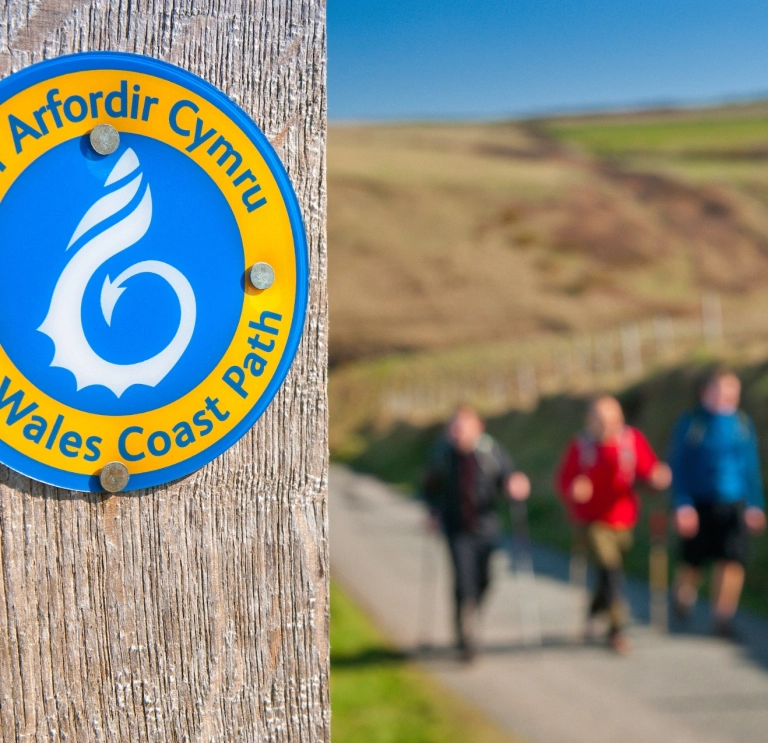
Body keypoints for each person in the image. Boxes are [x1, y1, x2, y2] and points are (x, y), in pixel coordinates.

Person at [556, 396, 671, 653]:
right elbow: (564, 479)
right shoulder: (580, 446)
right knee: (610, 570)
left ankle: (595, 609)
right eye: (598, 419)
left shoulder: (631, 441)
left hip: (623, 520)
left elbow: (647, 470)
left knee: (610, 572)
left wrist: (657, 477)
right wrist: (574, 489)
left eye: (610, 419)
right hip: (591, 521)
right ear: (589, 421)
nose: (605, 425)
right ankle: (617, 629)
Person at [423, 405, 531, 661]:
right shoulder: (442, 454)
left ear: (478, 427)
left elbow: (508, 476)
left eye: (463, 426)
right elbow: (430, 486)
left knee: (484, 579)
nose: (457, 432)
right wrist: (433, 513)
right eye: (454, 426)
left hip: (486, 526)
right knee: (463, 580)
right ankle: (466, 633)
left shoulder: (490, 451)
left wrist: (516, 484)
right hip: (456, 527)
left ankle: (471, 612)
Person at [669, 369, 766, 637]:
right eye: (721, 391)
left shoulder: (742, 424)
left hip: (733, 502)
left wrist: (755, 504)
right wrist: (682, 504)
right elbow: (680, 466)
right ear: (705, 392)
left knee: (732, 561)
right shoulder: (692, 423)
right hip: (699, 503)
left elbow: (750, 467)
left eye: (732, 392)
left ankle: (723, 617)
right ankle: (682, 599)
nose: (728, 398)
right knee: (693, 563)